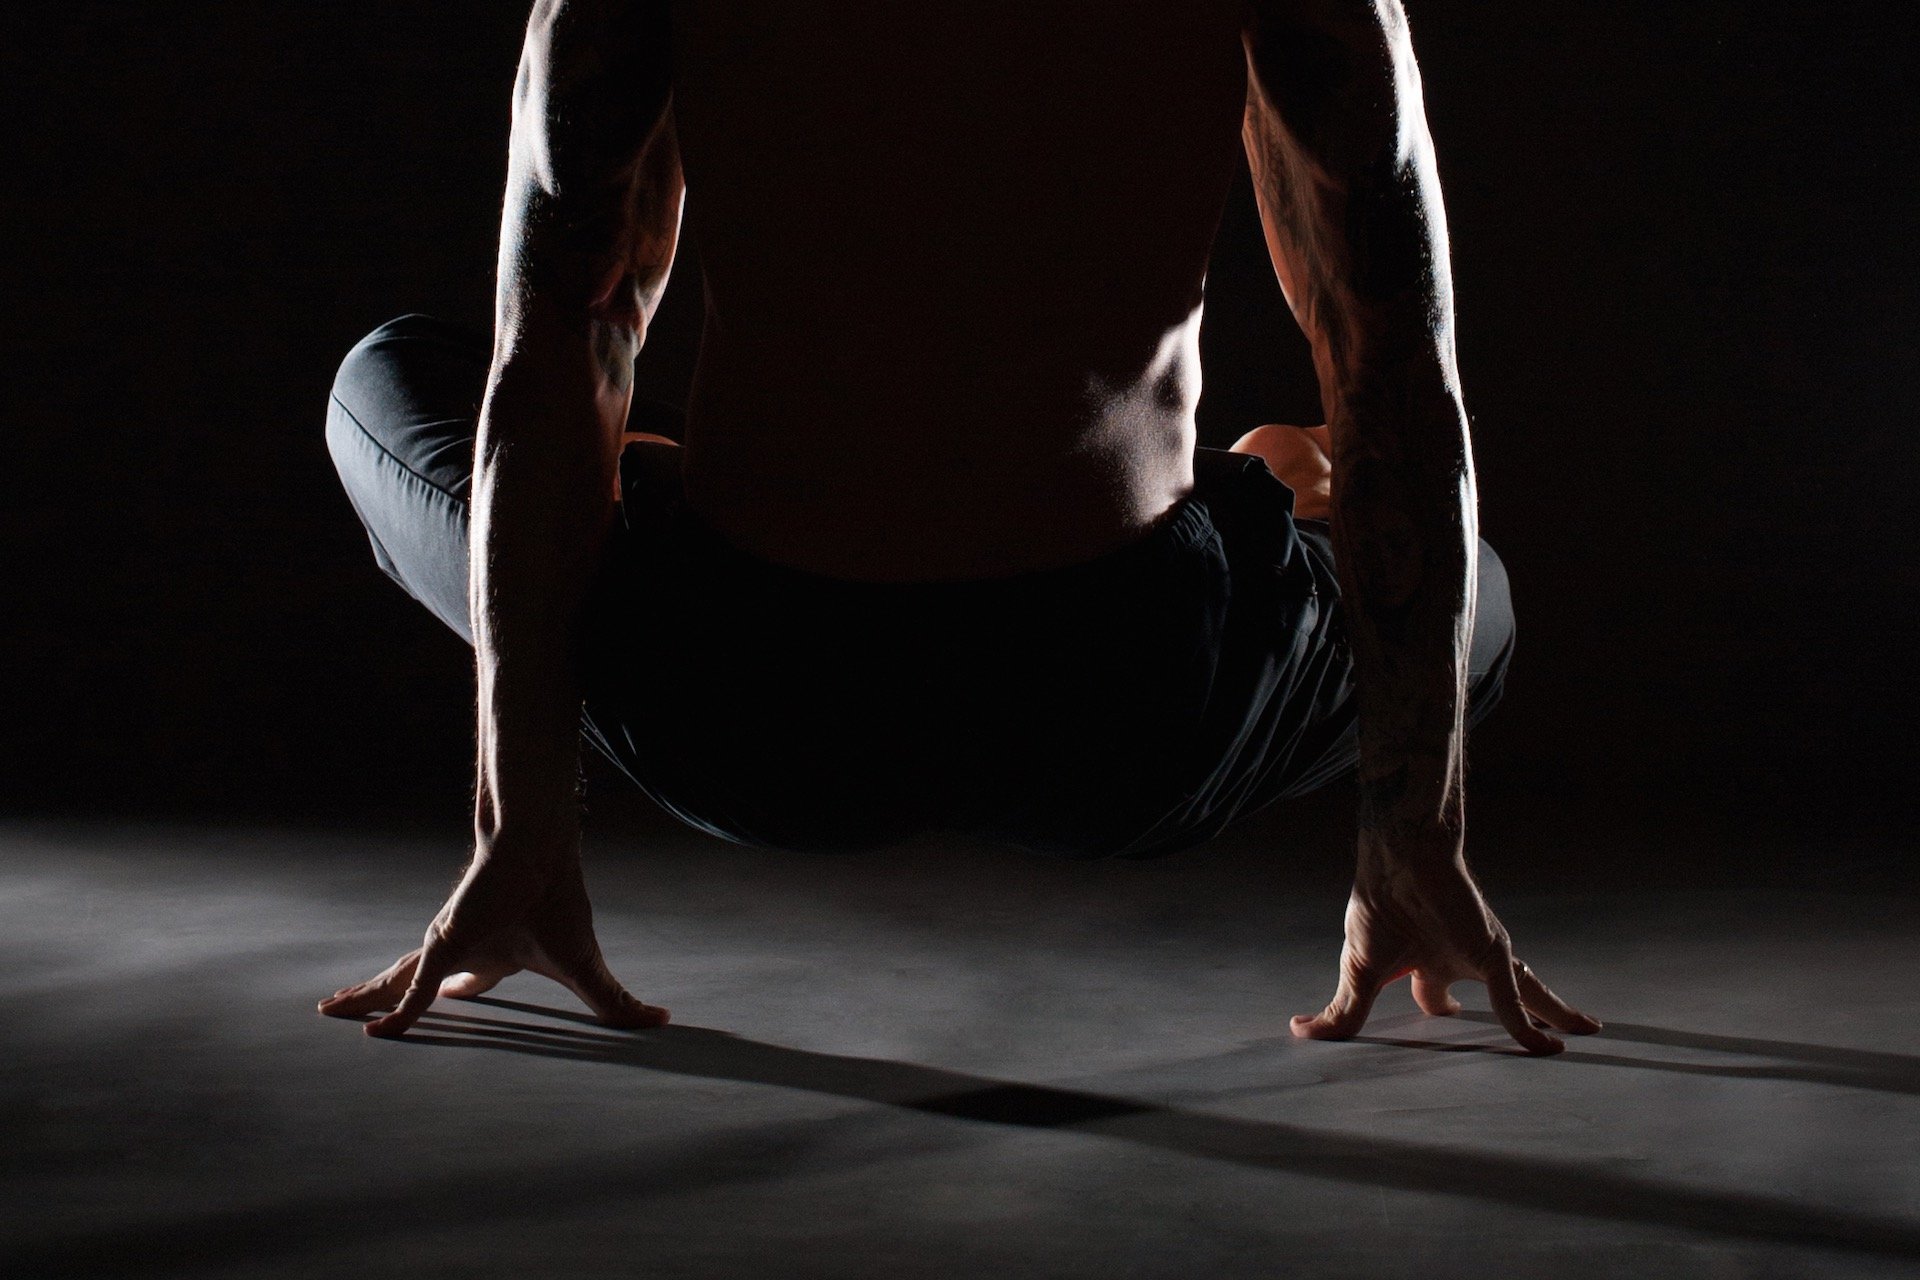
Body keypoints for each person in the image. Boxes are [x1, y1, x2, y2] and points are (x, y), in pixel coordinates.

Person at [318, 0, 1600, 1054]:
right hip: (1135, 704)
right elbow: (1398, 379)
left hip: (752, 703)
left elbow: (551, 370)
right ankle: (1269, 488)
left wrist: (521, 823)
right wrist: (1413, 836)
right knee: (1468, 591)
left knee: (385, 384)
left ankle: (659, 495)